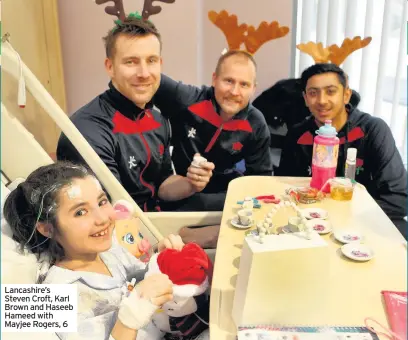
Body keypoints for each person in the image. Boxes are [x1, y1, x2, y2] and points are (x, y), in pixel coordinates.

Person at [3, 161, 186, 340]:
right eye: (81, 212)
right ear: (47, 229)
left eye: (102, 201)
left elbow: (142, 281)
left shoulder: (109, 250)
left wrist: (161, 260)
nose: (102, 218)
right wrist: (129, 322)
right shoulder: (56, 293)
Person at [56, 16, 214, 213]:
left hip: (156, 219)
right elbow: (107, 212)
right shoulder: (88, 131)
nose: (144, 73)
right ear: (110, 67)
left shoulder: (158, 120)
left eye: (151, 61)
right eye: (131, 62)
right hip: (119, 232)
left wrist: (191, 183)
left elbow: (162, 186)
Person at [277, 63, 407, 237]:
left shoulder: (372, 130)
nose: (322, 101)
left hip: (366, 220)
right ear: (306, 99)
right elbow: (285, 189)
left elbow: (399, 198)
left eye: (330, 91)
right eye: (313, 93)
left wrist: (346, 215)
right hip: (313, 222)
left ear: (346, 95)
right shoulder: (297, 135)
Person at [152, 49, 273, 209]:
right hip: (178, 188)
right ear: (214, 79)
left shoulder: (256, 123)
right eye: (229, 81)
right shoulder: (187, 99)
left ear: (253, 89)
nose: (235, 92)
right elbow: (149, 78)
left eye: (244, 84)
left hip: (221, 196)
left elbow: (260, 180)